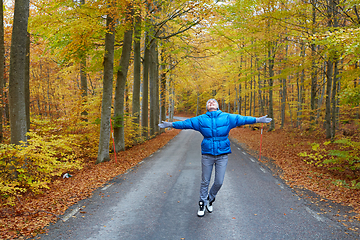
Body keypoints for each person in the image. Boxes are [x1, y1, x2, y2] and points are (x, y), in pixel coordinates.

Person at [158, 99, 272, 217]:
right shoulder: (201, 119)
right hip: (207, 155)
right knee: (205, 181)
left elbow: (241, 119)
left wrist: (258, 120)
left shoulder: (227, 117)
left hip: (222, 155)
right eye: (209, 102)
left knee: (219, 181)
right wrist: (170, 124)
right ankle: (202, 203)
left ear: (217, 106)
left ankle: (210, 199)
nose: (211, 102)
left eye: (213, 102)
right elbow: (186, 123)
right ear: (207, 107)